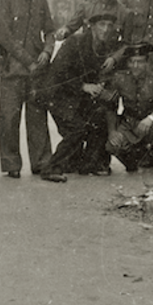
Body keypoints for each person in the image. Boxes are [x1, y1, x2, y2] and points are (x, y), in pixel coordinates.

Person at [0, 0, 56, 179]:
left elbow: (50, 31)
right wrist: (28, 60)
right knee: (9, 118)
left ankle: (41, 162)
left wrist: (47, 52)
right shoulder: (6, 0)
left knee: (37, 117)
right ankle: (11, 163)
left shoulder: (41, 1)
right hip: (12, 71)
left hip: (37, 72)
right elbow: (6, 37)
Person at [37, 13, 120, 182]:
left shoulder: (103, 47)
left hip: (76, 97)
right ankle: (50, 168)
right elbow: (57, 73)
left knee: (100, 115)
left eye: (109, 25)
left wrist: (101, 86)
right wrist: (83, 86)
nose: (105, 29)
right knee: (77, 129)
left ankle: (87, 164)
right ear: (91, 26)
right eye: (101, 25)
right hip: (57, 95)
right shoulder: (75, 42)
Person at [106, 42, 153, 177]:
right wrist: (112, 131)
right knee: (112, 145)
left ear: (147, 63)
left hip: (151, 126)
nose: (135, 66)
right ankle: (132, 162)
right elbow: (110, 106)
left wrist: (151, 118)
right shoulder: (119, 79)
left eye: (140, 62)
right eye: (132, 62)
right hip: (129, 124)